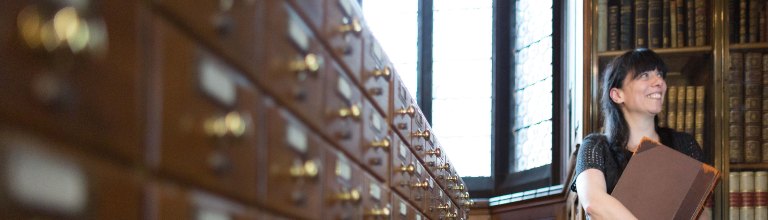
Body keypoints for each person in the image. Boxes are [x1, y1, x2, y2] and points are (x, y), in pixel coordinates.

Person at [570, 48, 708, 219]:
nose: (659, 81)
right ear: (617, 94)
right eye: (644, 75)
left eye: (660, 74)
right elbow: (594, 203)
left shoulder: (684, 144)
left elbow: (699, 212)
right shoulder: (596, 146)